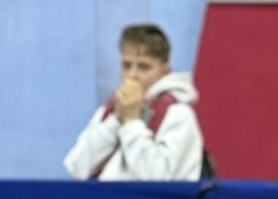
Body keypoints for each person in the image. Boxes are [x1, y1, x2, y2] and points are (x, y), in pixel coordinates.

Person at [64, 23, 206, 182]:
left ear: (165, 71)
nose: (132, 75)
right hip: (104, 196)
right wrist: (116, 121)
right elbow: (77, 167)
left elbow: (158, 178)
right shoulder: (110, 111)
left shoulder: (179, 115)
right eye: (126, 66)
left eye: (143, 67)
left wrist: (131, 122)